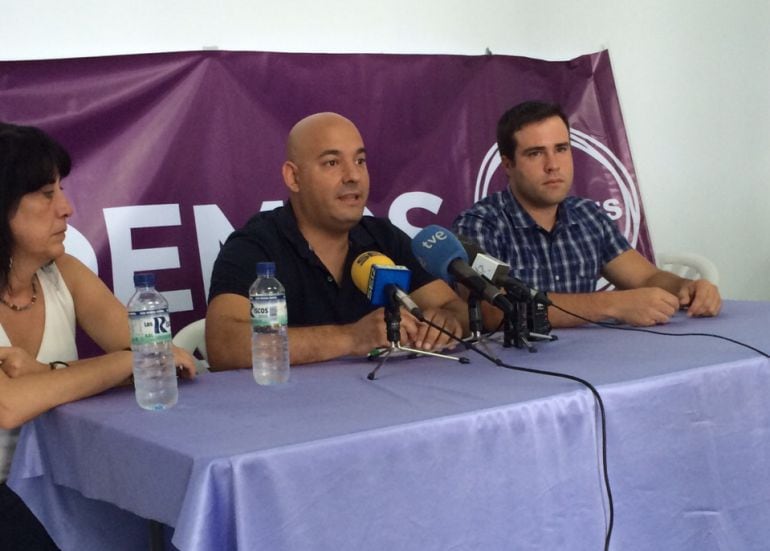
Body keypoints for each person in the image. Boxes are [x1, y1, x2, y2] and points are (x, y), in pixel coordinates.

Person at [0, 122, 196, 549]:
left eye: (61, 190)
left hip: (62, 481)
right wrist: (124, 362)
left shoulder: (64, 272)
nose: (66, 208)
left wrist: (45, 372)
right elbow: (8, 405)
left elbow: (168, 361)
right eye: (46, 194)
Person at [206, 112, 468, 368]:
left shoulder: (384, 237)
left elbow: (453, 307)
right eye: (332, 162)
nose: (353, 176)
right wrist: (351, 338)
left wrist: (447, 321)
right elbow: (224, 345)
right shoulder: (254, 246)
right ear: (294, 177)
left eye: (360, 161)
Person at [452, 101, 721, 328]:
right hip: (517, 371)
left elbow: (646, 278)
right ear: (508, 164)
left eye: (561, 149)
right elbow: (492, 311)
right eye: (535, 154)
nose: (553, 165)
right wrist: (611, 304)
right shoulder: (480, 225)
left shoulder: (588, 215)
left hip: (594, 362)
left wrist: (687, 286)